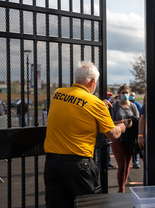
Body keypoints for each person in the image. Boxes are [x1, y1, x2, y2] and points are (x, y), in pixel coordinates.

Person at [43, 61, 126, 208]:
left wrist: (99, 106)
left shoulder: (58, 93)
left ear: (76, 78)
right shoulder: (96, 103)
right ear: (93, 82)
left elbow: (75, 109)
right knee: (91, 205)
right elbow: (112, 133)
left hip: (53, 163)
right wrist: (122, 126)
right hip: (79, 165)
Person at [110, 84, 139, 193]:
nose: (125, 95)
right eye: (123, 93)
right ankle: (121, 189)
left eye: (127, 93)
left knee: (127, 164)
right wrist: (123, 122)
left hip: (130, 138)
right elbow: (110, 122)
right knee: (121, 163)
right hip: (118, 138)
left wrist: (132, 121)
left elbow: (138, 120)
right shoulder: (115, 106)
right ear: (119, 94)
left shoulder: (133, 106)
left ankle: (122, 186)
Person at [129, 92, 142, 169]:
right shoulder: (127, 104)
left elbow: (140, 116)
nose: (131, 97)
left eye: (132, 96)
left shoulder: (137, 105)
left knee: (135, 145)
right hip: (128, 127)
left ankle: (136, 162)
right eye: (130, 96)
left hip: (135, 127)